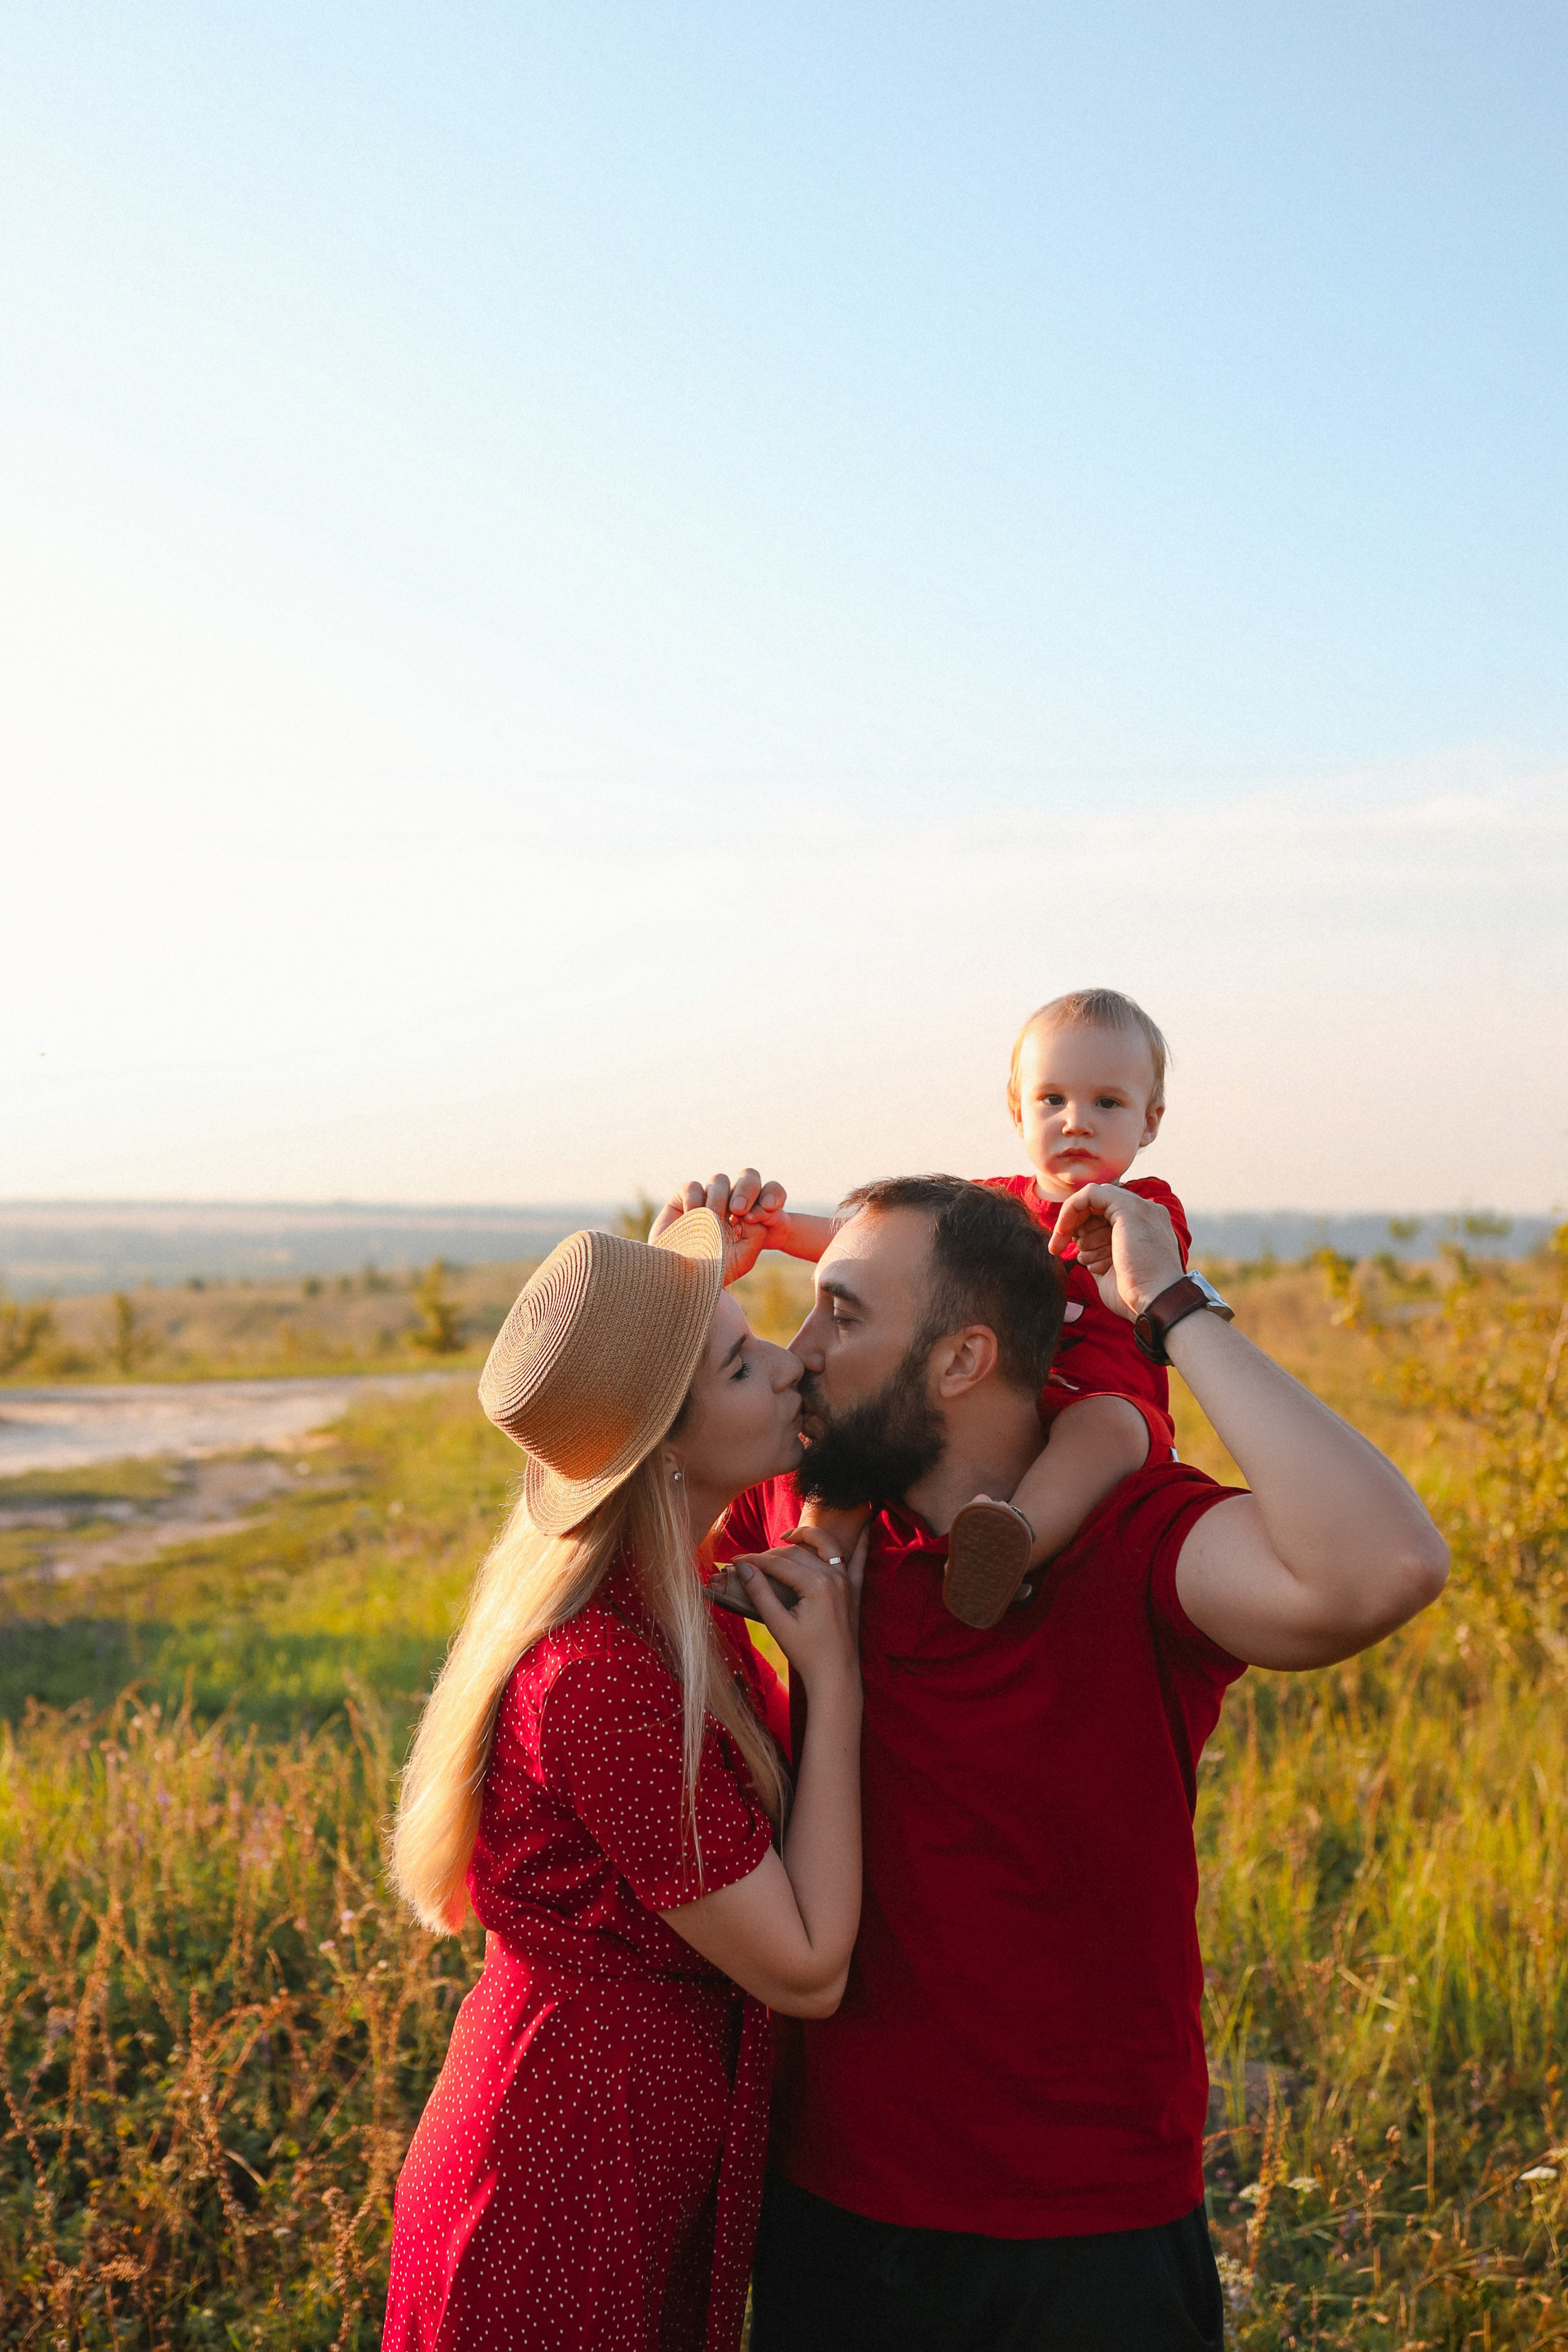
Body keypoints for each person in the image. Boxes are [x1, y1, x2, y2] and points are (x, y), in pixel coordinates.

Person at [668, 1170, 1447, 2351]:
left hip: (1091, 2229)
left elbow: (1384, 1567)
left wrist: (1173, 1306)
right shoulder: (813, 1513)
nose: (799, 1347)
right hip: (838, 2204)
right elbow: (597, 1513)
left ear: (962, 1361)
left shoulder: (1135, 1541)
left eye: (842, 1313)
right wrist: (683, 1304)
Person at [381, 1207, 866, 2352]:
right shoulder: (602, 1679)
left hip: (611, 2154)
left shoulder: (670, 1604)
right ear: (667, 1449)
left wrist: (686, 1296)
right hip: (564, 2182)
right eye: (746, 1362)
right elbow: (804, 1971)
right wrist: (833, 1688)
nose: (792, 1363)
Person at [680, 987, 1194, 1627]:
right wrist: (783, 1233)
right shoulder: (991, 1206)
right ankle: (817, 1555)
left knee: (1109, 1430)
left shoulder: (1144, 1208)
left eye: (1107, 1102)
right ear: (1017, 1110)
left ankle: (1012, 1548)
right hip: (1000, 1393)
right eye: (1052, 1100)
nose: (1076, 1121)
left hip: (1099, 1395)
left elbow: (1153, 1278)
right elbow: (873, 1254)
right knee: (871, 1422)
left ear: (1150, 1120)